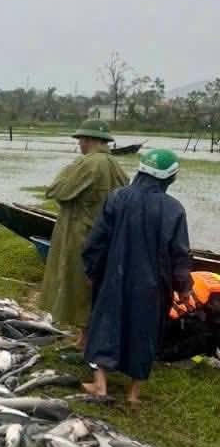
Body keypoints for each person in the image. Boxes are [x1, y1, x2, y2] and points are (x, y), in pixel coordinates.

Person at [82, 149, 192, 405]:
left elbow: (96, 242)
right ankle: (133, 394)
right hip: (153, 285)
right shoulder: (174, 209)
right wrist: (184, 287)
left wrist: (91, 271)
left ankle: (100, 385)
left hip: (113, 277)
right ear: (169, 178)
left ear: (141, 170)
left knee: (105, 324)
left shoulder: (117, 198)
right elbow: (180, 255)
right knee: (145, 331)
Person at [39, 120, 128, 347]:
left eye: (81, 140)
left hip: (80, 234)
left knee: (78, 286)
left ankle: (86, 340)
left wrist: (69, 169)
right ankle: (86, 337)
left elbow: (57, 191)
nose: (79, 144)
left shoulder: (88, 164)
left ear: (88, 140)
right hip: (104, 236)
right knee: (94, 287)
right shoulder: (115, 165)